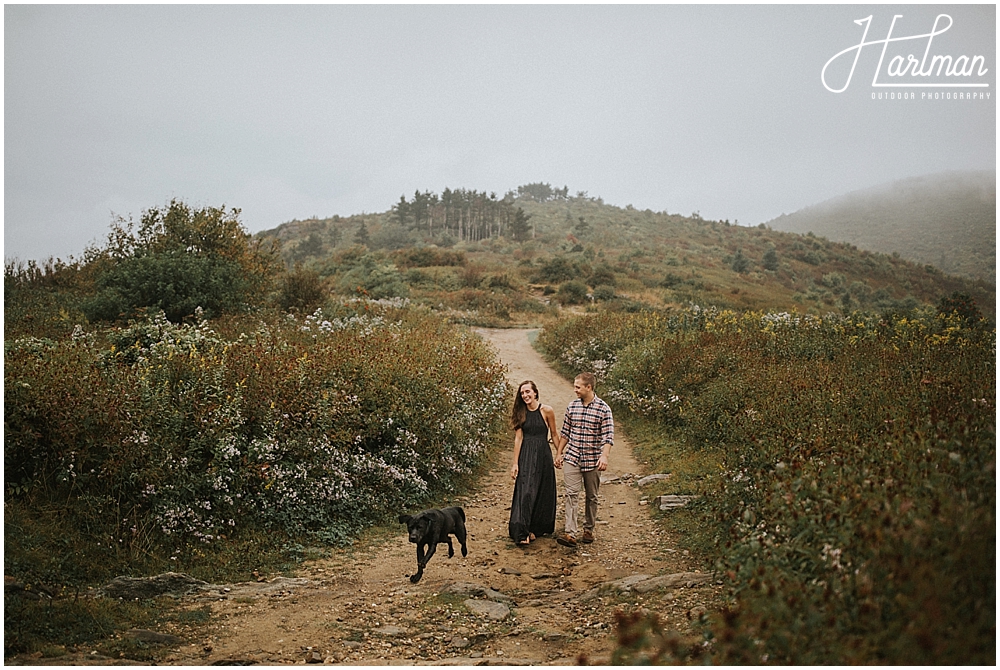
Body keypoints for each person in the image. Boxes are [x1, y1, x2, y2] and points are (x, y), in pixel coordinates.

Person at [554, 372, 614, 547]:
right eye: (574, 386)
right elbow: (565, 433)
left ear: (589, 387)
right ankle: (570, 533)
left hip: (593, 460)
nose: (575, 390)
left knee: (591, 496)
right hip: (572, 457)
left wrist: (604, 456)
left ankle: (588, 529)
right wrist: (559, 453)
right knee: (571, 494)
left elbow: (608, 436)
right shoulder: (572, 407)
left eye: (578, 387)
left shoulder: (604, 409)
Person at [508, 380, 559, 546]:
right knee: (527, 492)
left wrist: (559, 453)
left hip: (543, 455)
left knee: (543, 491)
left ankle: (534, 529)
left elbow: (554, 433)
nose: (525, 395)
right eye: (522, 393)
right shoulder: (520, 413)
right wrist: (515, 463)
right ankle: (521, 532)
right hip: (527, 455)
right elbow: (518, 439)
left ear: (535, 392)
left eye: (528, 392)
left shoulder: (547, 411)